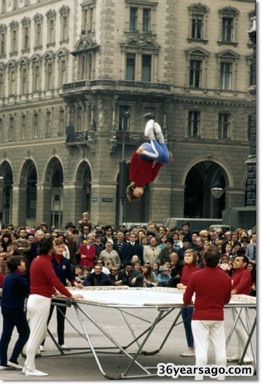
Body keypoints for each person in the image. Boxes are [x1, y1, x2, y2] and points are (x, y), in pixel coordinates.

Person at [23, 237, 83, 377]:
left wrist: (56, 292)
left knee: (39, 333)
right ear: (50, 249)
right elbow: (54, 280)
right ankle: (30, 367)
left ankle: (28, 366)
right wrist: (70, 295)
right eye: (56, 247)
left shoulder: (37, 260)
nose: (59, 249)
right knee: (36, 335)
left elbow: (44, 281)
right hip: (40, 300)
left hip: (35, 298)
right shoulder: (44, 262)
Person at [183, 245, 232, 380]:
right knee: (220, 348)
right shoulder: (226, 277)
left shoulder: (196, 275)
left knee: (201, 349)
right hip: (217, 315)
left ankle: (199, 377)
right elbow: (226, 299)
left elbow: (186, 299)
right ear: (218, 261)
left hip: (200, 316)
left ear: (204, 259)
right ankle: (221, 377)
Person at [40, 238, 83, 352]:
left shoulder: (66, 261)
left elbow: (70, 276)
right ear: (54, 248)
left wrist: (75, 283)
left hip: (62, 292)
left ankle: (61, 342)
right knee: (46, 319)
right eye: (58, 247)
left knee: (61, 318)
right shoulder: (49, 261)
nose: (60, 249)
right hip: (51, 292)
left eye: (62, 247)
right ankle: (41, 343)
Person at [126, 119, 172, 201]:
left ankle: (150, 133)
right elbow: (157, 166)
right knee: (165, 159)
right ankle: (159, 133)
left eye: (136, 194)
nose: (139, 194)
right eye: (139, 195)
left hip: (143, 153)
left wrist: (137, 153)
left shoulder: (133, 178)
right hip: (151, 155)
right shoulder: (149, 179)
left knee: (159, 155)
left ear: (133, 189)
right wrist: (167, 159)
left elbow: (134, 163)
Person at [0, 256, 30, 370]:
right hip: (16, 308)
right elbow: (29, 290)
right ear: (18, 266)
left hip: (5, 307)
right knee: (25, 333)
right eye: (23, 262)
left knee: (6, 334)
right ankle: (13, 358)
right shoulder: (20, 278)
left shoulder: (8, 277)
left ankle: (2, 360)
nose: (24, 264)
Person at [227, 255, 254, 364]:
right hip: (234, 301)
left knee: (241, 328)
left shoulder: (245, 273)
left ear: (244, 264)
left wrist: (234, 290)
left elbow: (243, 283)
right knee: (237, 328)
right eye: (235, 260)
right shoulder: (235, 273)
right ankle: (240, 353)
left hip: (241, 301)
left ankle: (249, 355)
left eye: (238, 260)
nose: (235, 261)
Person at [177, 249, 200, 357]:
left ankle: (194, 346)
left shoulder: (197, 269)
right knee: (186, 324)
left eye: (189, 255)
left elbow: (196, 285)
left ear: (194, 257)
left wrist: (184, 286)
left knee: (192, 323)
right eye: (185, 255)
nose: (186, 257)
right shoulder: (184, 268)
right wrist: (180, 285)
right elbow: (183, 282)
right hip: (184, 297)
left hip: (194, 298)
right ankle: (190, 346)